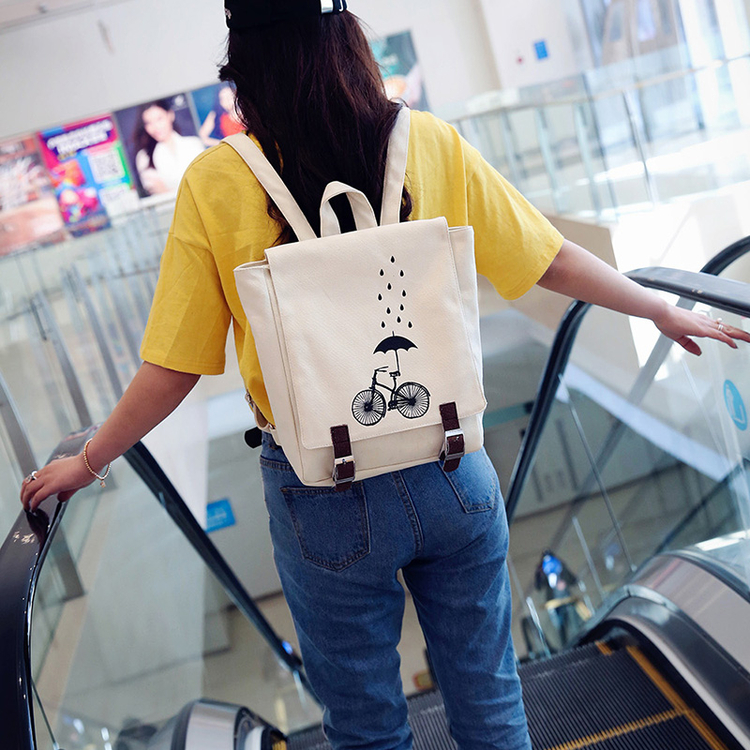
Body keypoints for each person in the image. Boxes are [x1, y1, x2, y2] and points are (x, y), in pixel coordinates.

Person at [20, 3, 750, 749]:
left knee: (368, 730)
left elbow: (175, 363)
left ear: (246, 71)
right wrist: (657, 308)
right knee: (492, 703)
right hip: (450, 458)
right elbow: (545, 256)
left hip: (321, 489)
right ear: (349, 44)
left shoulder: (217, 182)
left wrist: (89, 460)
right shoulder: (424, 140)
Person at [133, 99, 205, 195]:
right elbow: (159, 193)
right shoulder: (144, 157)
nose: (155, 127)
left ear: (170, 115)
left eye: (159, 119)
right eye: (148, 123)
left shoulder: (194, 144)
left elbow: (205, 182)